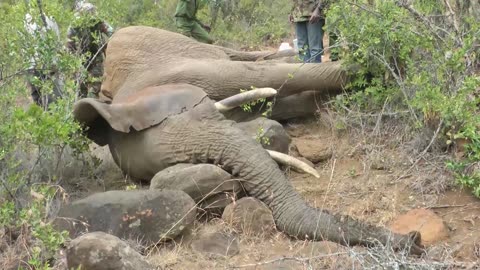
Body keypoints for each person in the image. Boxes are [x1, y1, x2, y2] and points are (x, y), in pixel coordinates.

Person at [66, 2, 114, 98]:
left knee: (96, 85)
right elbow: (69, 44)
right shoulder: (74, 25)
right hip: (79, 59)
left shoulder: (98, 22)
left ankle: (92, 103)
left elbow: (111, 32)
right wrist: (72, 63)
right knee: (80, 88)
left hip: (96, 56)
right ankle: (82, 105)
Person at [24, 13, 63, 108]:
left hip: (35, 64)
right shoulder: (50, 17)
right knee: (51, 98)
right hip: (43, 63)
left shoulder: (26, 18)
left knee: (40, 98)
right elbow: (56, 40)